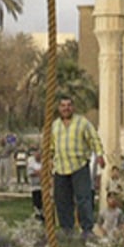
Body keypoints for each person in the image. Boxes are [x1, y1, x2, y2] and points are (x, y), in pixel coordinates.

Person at [46, 95, 103, 237]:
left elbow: (93, 138)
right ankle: (67, 229)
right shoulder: (55, 126)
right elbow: (51, 145)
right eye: (63, 106)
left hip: (79, 166)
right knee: (62, 201)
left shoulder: (82, 123)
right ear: (59, 108)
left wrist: (100, 154)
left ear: (73, 107)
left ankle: (87, 229)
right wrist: (48, 159)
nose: (66, 108)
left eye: (68, 105)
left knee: (83, 198)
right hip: (61, 168)